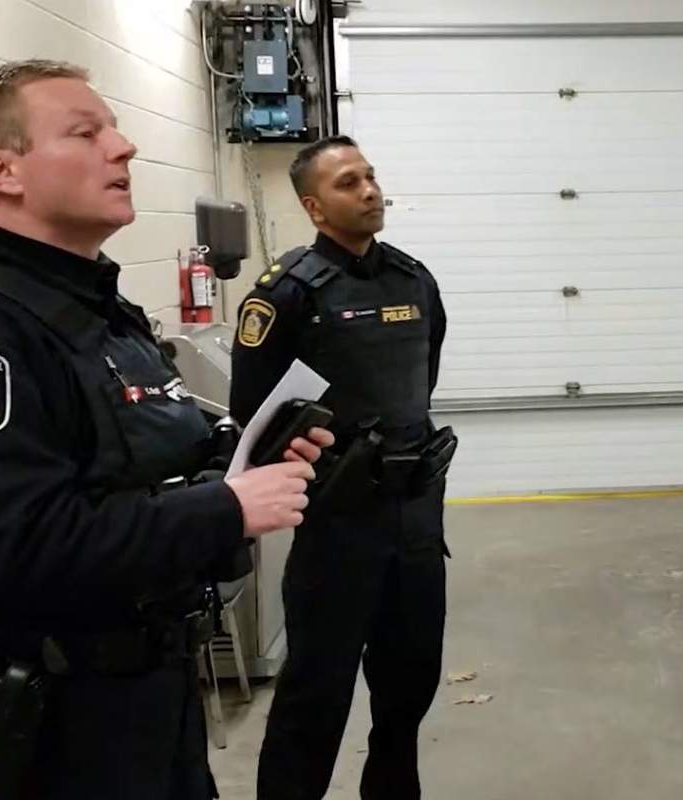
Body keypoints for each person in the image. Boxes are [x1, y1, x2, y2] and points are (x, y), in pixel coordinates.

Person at [0, 59, 333, 799]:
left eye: (115, 131)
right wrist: (229, 507)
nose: (122, 148)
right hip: (64, 725)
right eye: (85, 133)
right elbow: (13, 549)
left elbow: (148, 456)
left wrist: (243, 457)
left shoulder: (102, 312)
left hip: (158, 688)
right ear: (3, 169)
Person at [230, 135, 450, 800]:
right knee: (314, 701)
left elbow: (423, 377)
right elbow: (256, 418)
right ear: (313, 206)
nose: (370, 190)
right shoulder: (288, 294)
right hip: (337, 528)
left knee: (408, 691)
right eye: (349, 182)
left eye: (371, 177)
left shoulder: (413, 279)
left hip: (414, 525)